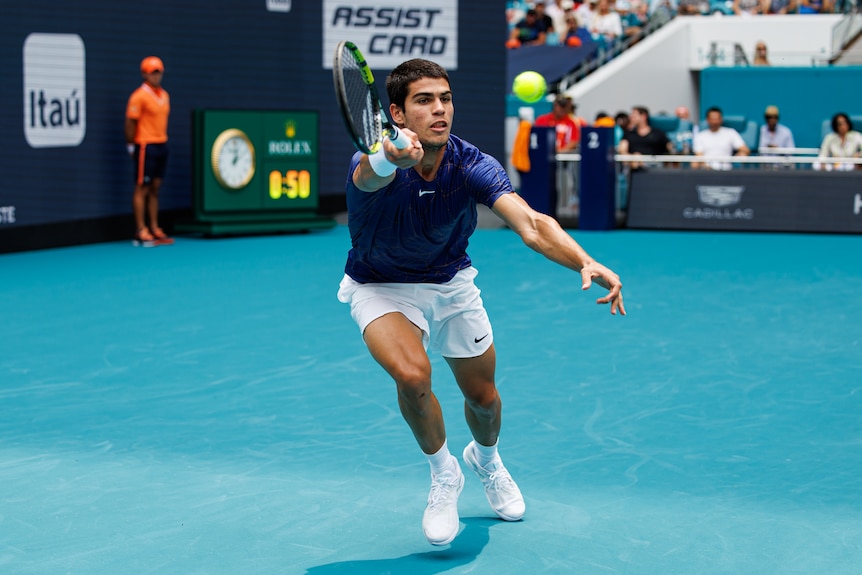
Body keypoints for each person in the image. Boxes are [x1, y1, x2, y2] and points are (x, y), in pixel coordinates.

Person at [337, 58, 625, 547]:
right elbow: (368, 177)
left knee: (484, 400)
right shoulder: (374, 159)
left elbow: (530, 223)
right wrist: (389, 158)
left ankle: (486, 460)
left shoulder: (471, 163)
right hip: (379, 284)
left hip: (450, 281)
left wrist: (584, 260)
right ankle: (444, 473)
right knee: (412, 376)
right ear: (397, 113)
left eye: (445, 98)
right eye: (424, 101)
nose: (439, 109)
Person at [126, 56, 172, 246]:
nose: (156, 76)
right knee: (142, 188)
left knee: (155, 188)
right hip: (145, 145)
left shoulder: (165, 95)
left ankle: (154, 227)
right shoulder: (139, 96)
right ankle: (141, 229)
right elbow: (130, 123)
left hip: (162, 144)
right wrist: (131, 145)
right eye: (153, 72)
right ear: (144, 74)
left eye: (158, 72)